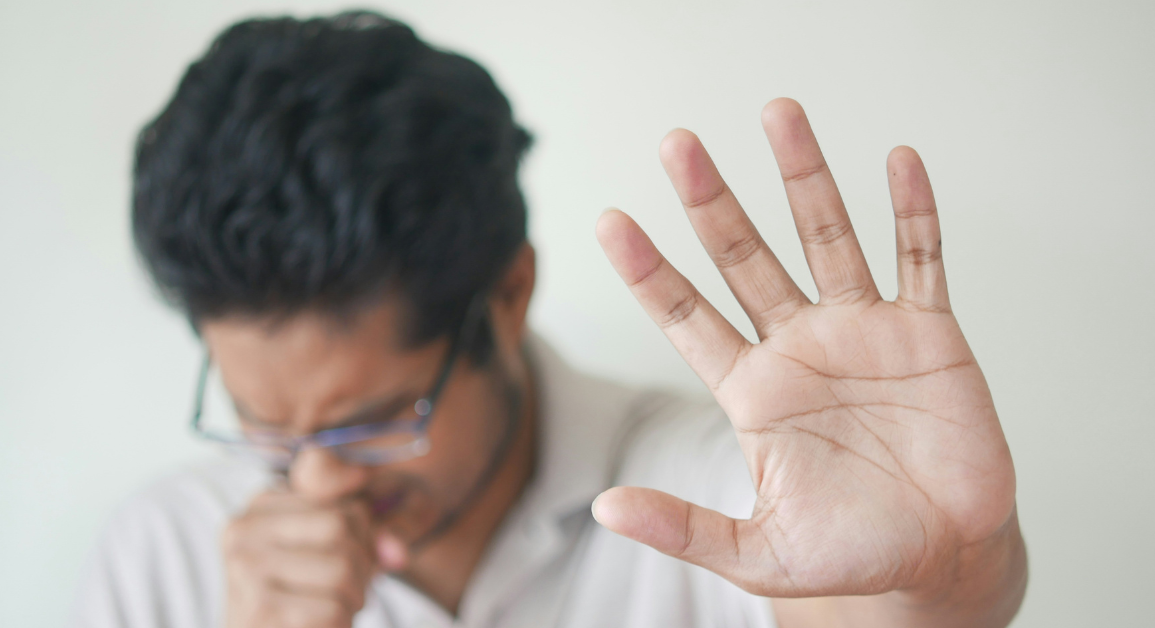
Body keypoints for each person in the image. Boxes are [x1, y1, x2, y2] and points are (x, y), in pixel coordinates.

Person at [69, 10, 1027, 628]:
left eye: (373, 422)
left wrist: (941, 577)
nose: (315, 480)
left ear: (509, 294)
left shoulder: (715, 481)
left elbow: (876, 598)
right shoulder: (164, 551)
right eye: (264, 425)